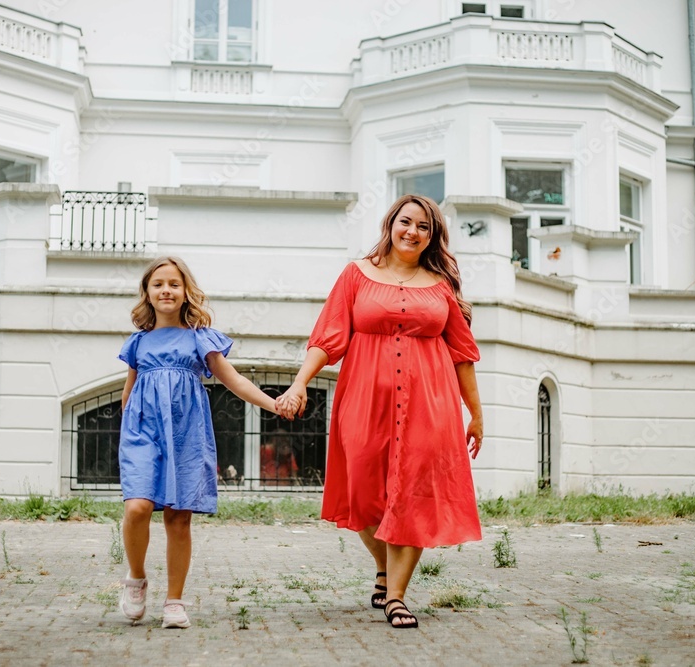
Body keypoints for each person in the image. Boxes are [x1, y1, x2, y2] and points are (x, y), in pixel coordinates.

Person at [276, 194, 484, 629]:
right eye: (406, 222)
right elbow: (327, 337)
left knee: (414, 495)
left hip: (432, 403)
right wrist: (299, 383)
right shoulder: (356, 275)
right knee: (363, 493)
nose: (412, 232)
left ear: (433, 236)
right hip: (364, 399)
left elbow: (462, 354)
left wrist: (476, 414)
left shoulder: (440, 284)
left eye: (423, 227)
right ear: (390, 224)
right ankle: (385, 568)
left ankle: (396, 597)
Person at [117, 256, 285, 628]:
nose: (166, 290)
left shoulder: (198, 339)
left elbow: (234, 380)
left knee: (179, 518)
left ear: (185, 292)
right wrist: (128, 443)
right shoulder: (138, 342)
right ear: (147, 291)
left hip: (187, 434)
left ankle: (174, 601)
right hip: (142, 434)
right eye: (158, 283)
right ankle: (136, 577)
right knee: (137, 508)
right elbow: (129, 394)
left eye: (174, 284)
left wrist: (273, 403)